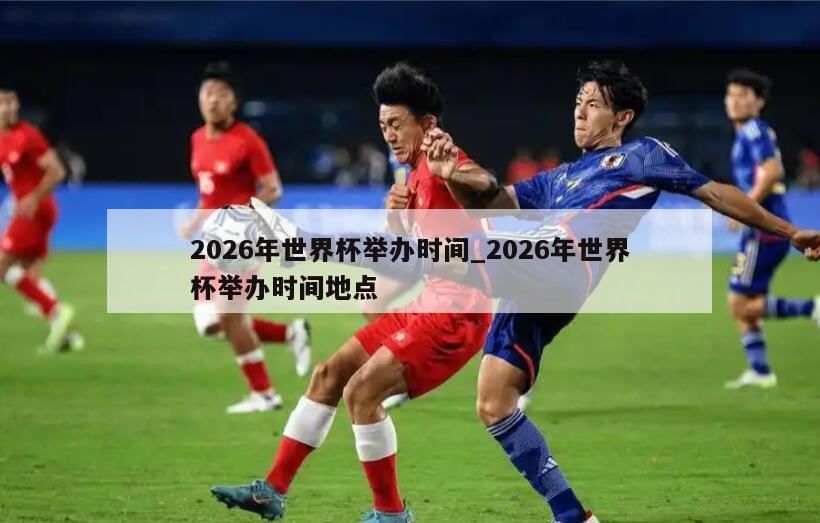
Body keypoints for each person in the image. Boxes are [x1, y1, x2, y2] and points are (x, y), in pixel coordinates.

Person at [251, 60, 820, 523]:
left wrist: (789, 231)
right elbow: (497, 199)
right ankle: (572, 514)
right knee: (493, 401)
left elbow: (714, 192)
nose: (579, 110)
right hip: (530, 282)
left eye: (592, 103)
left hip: (560, 264)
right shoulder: (562, 177)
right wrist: (455, 177)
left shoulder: (643, 155)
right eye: (578, 101)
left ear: (622, 116)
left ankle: (303, 243)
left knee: (444, 257)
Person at [209, 63, 492, 523]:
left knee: (362, 393)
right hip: (430, 304)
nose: (389, 135)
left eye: (396, 123)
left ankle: (391, 514)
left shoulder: (445, 158)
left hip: (457, 314)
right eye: (383, 126)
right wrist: (397, 219)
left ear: (427, 123)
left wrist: (312, 243)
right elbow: (408, 252)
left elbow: (480, 189)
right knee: (329, 374)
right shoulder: (413, 174)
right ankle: (271, 491)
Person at [178, 62, 311, 414]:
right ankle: (290, 334)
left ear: (234, 102)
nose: (214, 101)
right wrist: (194, 222)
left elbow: (273, 188)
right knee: (209, 322)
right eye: (208, 93)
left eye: (222, 95)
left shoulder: (247, 140)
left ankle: (264, 394)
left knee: (228, 316)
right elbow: (209, 195)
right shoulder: (197, 139)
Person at [722, 69, 819, 389]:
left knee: (739, 304)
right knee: (747, 304)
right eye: (731, 95)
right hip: (767, 229)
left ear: (759, 101)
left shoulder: (754, 131)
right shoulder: (748, 134)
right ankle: (760, 371)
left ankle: (812, 308)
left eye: (743, 95)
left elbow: (773, 171)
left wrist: (744, 206)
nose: (734, 101)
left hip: (763, 231)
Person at [0, 86, 81, 353]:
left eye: (11, 102)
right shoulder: (3, 139)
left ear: (17, 106)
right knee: (30, 275)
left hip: (36, 210)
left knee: (3, 266)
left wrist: (33, 198)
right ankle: (68, 336)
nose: (7, 108)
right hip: (28, 209)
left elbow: (57, 171)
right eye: (2, 103)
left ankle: (56, 310)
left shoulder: (28, 135)